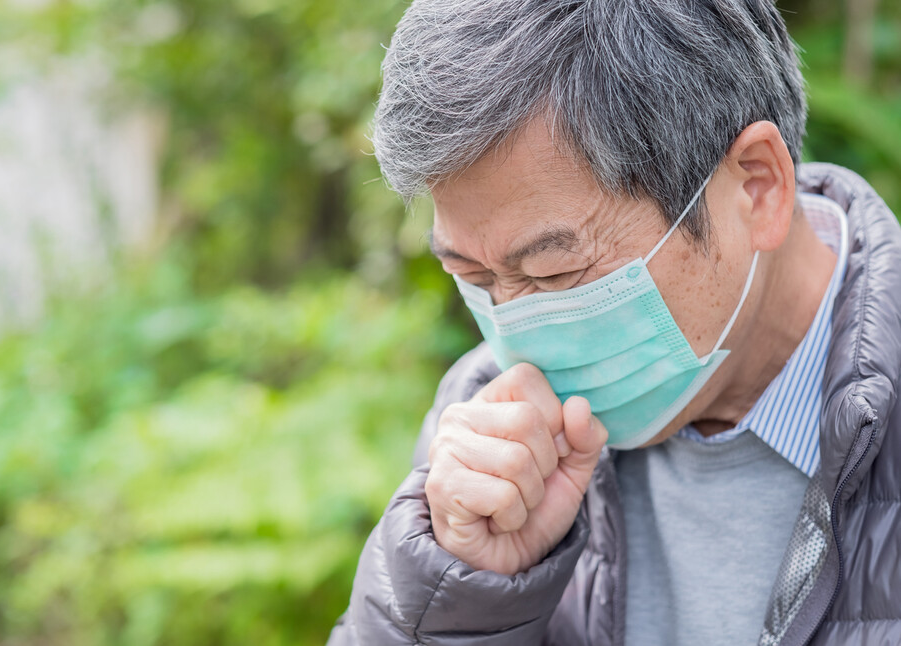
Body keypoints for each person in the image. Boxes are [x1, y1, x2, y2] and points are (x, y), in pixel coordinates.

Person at [329, 1, 901, 644]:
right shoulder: (486, 434)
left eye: (554, 273)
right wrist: (462, 596)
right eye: (477, 279)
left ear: (756, 188)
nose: (516, 337)